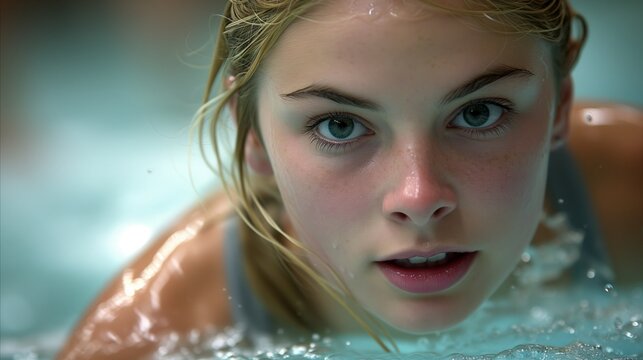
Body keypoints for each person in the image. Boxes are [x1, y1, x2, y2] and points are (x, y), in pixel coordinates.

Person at [56, 1, 643, 359]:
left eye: (479, 113)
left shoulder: (628, 192)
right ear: (253, 136)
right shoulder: (154, 340)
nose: (419, 197)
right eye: (339, 126)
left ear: (560, 108)